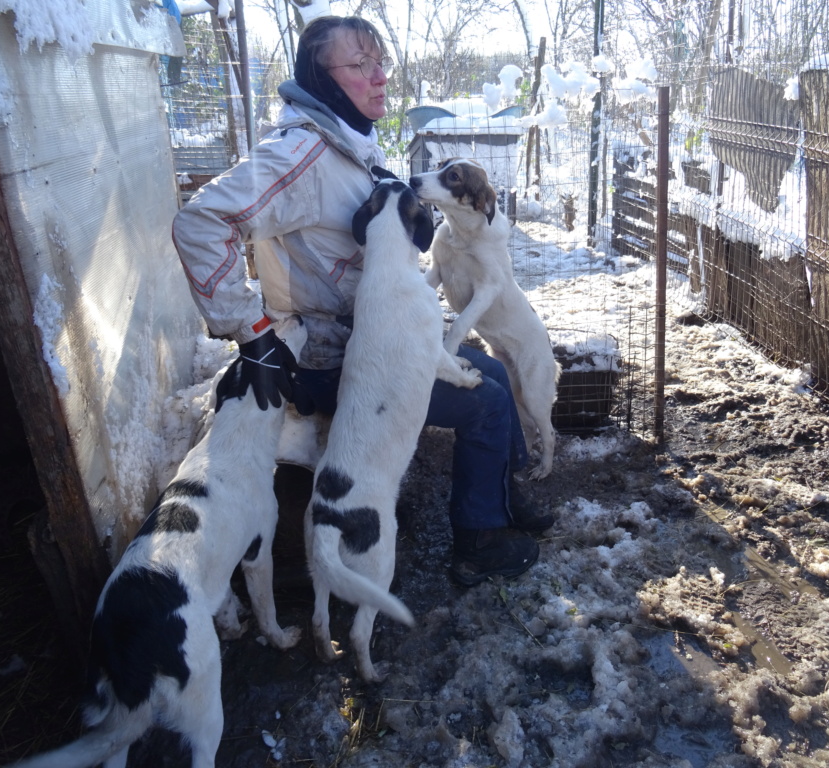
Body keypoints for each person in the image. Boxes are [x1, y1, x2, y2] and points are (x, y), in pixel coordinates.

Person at [172, 15, 552, 587]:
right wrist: (252, 335)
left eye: (380, 63)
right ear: (321, 79)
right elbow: (200, 221)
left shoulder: (347, 145)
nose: (378, 78)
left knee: (493, 372)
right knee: (490, 403)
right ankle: (479, 540)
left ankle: (499, 493)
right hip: (333, 359)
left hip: (371, 336)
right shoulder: (298, 155)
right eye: (358, 65)